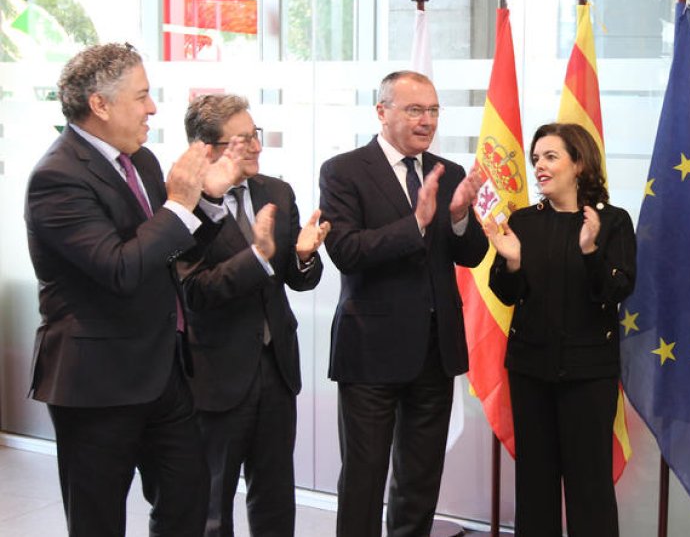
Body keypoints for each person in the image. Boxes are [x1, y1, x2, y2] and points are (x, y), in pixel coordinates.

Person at [25, 42, 244, 536]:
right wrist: (180, 206)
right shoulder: (56, 177)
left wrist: (205, 202)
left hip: (162, 371)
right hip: (97, 382)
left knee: (188, 500)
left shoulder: (140, 160)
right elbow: (120, 268)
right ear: (100, 105)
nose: (152, 108)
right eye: (142, 96)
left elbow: (170, 254)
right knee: (98, 520)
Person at [318, 70, 488, 537]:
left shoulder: (448, 172)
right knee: (364, 478)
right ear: (382, 111)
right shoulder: (343, 170)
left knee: (419, 479)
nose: (427, 121)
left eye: (433, 110)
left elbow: (471, 254)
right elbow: (346, 251)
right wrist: (414, 224)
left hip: (434, 352)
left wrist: (456, 220)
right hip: (370, 351)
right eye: (415, 109)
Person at [178, 95, 330, 537]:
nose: (255, 148)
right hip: (216, 372)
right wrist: (258, 258)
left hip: (276, 368)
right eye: (242, 140)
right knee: (212, 504)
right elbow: (194, 290)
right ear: (208, 148)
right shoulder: (183, 203)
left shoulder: (276, 192)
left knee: (276, 496)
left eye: (255, 136)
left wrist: (302, 256)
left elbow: (296, 280)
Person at [484, 122, 637, 537]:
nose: (539, 167)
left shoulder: (613, 222)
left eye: (551, 157)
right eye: (536, 159)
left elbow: (617, 289)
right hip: (531, 371)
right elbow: (505, 293)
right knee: (535, 484)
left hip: (589, 375)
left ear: (580, 164)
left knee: (590, 486)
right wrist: (512, 262)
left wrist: (589, 251)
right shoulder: (524, 222)